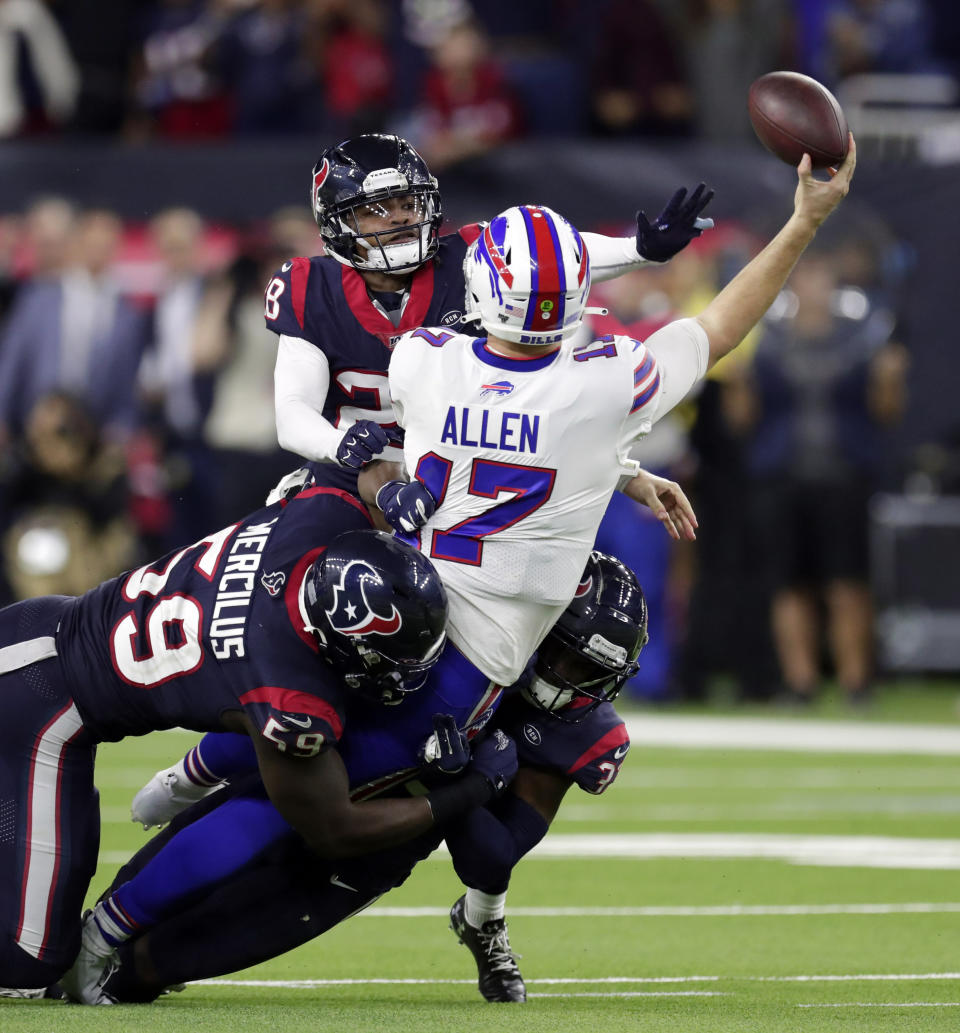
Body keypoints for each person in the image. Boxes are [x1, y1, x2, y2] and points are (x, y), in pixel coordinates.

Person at [359, 135, 856, 702]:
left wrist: (620, 471)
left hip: (410, 625)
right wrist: (804, 222)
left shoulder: (421, 357)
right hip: (496, 651)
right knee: (578, 751)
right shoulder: (608, 380)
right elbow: (719, 327)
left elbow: (484, 426)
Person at [57, 551, 649, 1005]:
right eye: (571, 661)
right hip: (320, 772)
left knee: (145, 971)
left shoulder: (579, 729)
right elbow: (306, 709)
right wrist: (203, 766)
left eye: (596, 674)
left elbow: (490, 859)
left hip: (378, 843)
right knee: (121, 905)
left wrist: (468, 785)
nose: (577, 685)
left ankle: (483, 922)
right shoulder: (465, 636)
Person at [0, 482, 517, 996]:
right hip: (42, 705)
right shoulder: (290, 693)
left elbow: (350, 471)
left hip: (41, 627)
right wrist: (470, 791)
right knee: (31, 962)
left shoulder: (318, 518)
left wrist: (384, 489)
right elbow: (335, 827)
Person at [266, 131, 714, 502]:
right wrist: (336, 444)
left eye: (408, 205)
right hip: (352, 480)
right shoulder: (311, 287)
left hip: (464, 477)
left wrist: (639, 248)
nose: (399, 220)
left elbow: (551, 256)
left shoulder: (465, 258)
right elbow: (292, 412)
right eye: (376, 211)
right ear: (336, 223)